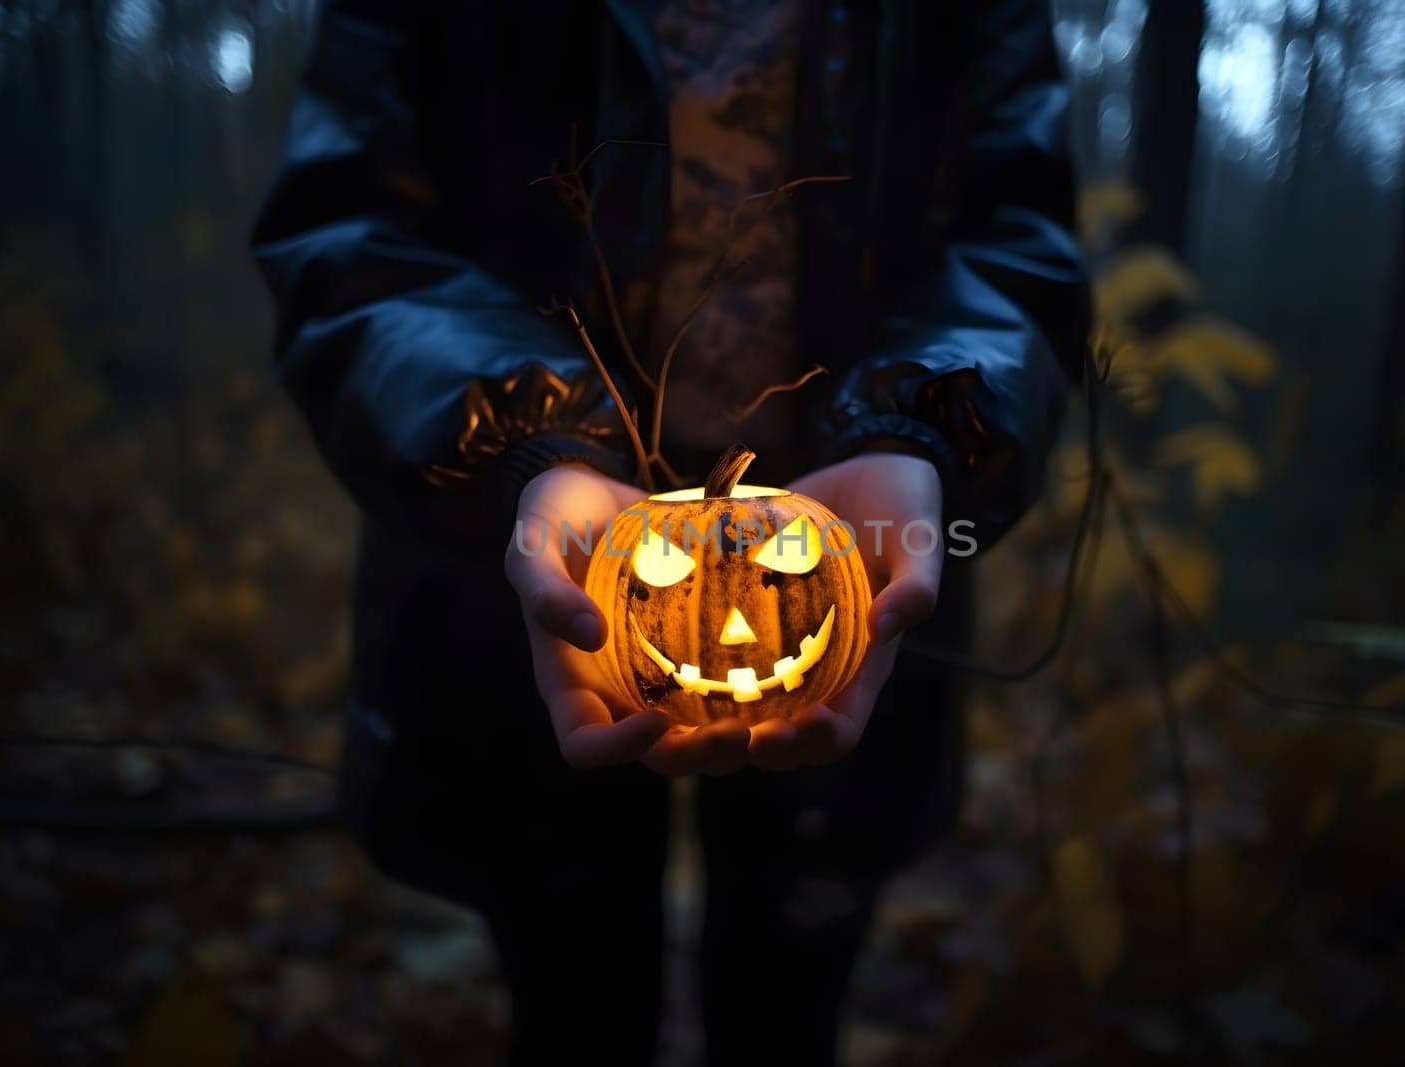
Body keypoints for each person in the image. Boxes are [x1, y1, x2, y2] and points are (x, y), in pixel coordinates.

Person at [252, 0, 1089, 1062]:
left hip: (860, 535)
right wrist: (526, 440)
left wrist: (924, 426)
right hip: (519, 549)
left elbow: (1014, 233)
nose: (736, 639)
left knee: (793, 993)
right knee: (566, 990)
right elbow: (350, 228)